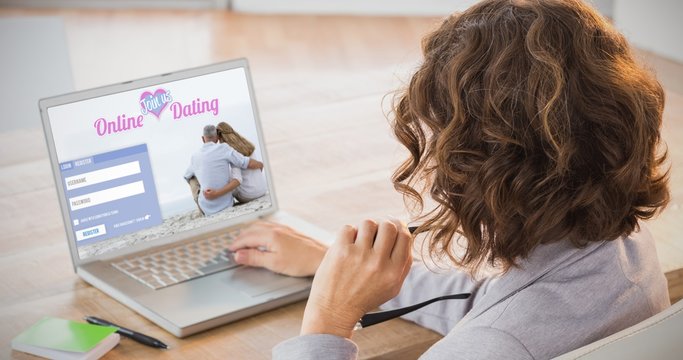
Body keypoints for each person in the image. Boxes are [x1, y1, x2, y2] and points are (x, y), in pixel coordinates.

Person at [227, 0, 671, 358]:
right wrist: (329, 265)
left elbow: (496, 333)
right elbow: (495, 304)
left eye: (443, 140)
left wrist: (327, 318)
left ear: (485, 168)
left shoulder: (495, 346)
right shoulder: (627, 252)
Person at [184, 125, 264, 216]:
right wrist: (260, 164)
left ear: (203, 138)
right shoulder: (224, 148)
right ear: (217, 138)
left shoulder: (194, 156)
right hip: (226, 205)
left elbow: (186, 176)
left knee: (191, 177)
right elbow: (244, 162)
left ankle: (200, 205)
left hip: (206, 208)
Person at [202, 121, 268, 203]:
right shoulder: (247, 145)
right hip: (262, 189)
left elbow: (237, 179)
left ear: (219, 137)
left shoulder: (232, 152)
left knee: (226, 177)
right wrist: (260, 165)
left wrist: (216, 193)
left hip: (248, 195)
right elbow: (256, 166)